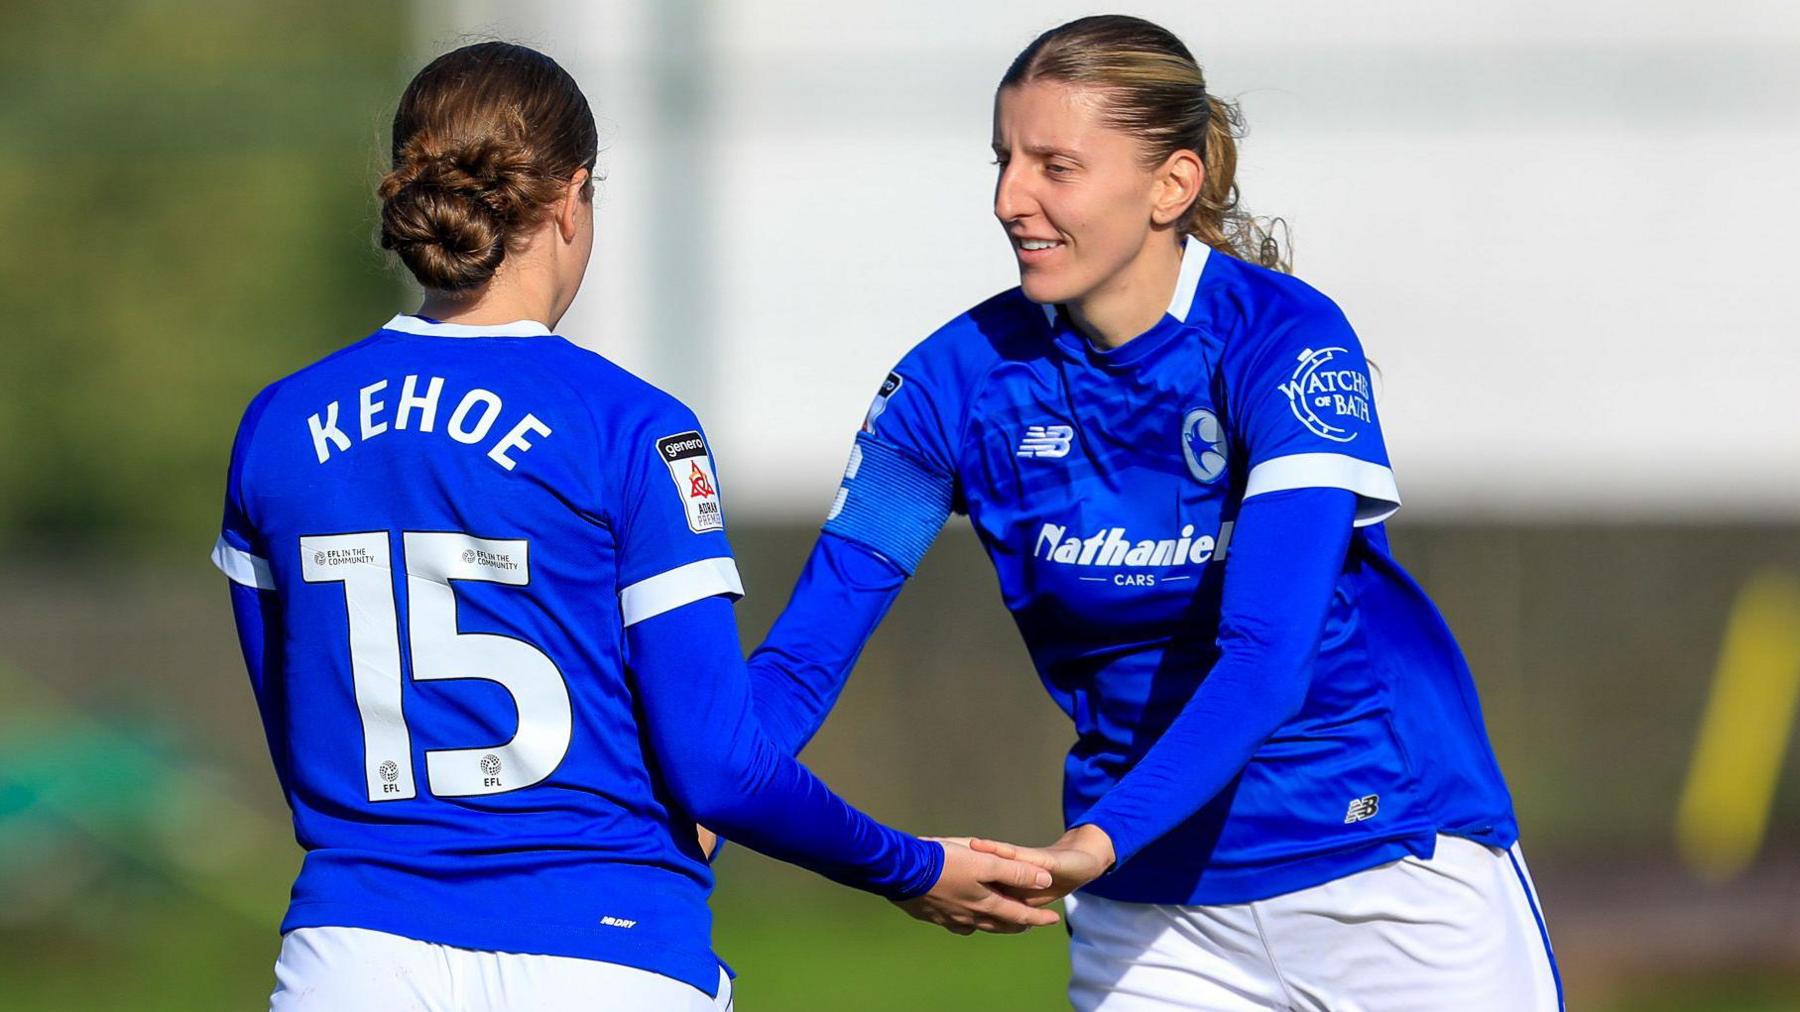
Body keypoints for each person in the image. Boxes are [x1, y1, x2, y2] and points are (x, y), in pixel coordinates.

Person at [210, 41, 1057, 1012]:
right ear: (572, 198)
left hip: (349, 961)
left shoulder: (277, 426)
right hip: (604, 951)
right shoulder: (632, 427)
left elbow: (304, 741)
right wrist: (911, 866)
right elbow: (718, 766)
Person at [744, 15, 1561, 1011]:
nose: (1011, 199)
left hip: (1379, 863)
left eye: (1057, 166)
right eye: (1005, 160)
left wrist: (1087, 846)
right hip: (1154, 921)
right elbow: (803, 656)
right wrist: (699, 789)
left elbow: (1264, 655)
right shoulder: (947, 388)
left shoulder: (1285, 342)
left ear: (1170, 185)